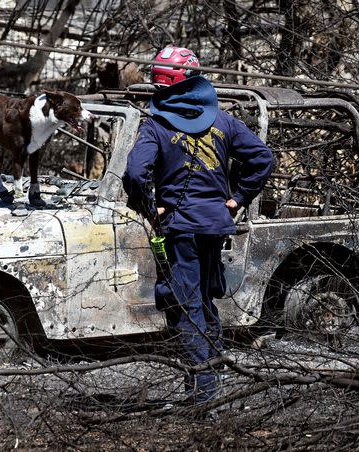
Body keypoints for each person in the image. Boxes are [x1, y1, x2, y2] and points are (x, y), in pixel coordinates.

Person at [122, 47, 273, 404]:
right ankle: (212, 389)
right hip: (214, 228)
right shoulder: (224, 122)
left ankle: (204, 397)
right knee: (204, 304)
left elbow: (134, 172)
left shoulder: (156, 125)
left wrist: (150, 208)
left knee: (186, 308)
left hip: (180, 229)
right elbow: (262, 159)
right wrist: (237, 200)